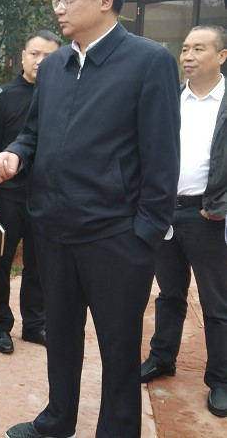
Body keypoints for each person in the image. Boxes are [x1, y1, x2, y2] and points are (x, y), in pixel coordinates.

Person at [0, 0, 180, 438]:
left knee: (118, 346)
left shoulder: (148, 61)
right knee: (60, 335)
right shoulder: (54, 65)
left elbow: (162, 158)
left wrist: (144, 235)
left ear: (105, 0)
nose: (59, 8)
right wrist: (15, 155)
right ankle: (57, 421)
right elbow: (32, 133)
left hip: (116, 237)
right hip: (53, 230)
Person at [140, 25, 227, 419]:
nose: (188, 56)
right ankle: (162, 358)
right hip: (166, 211)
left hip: (208, 214)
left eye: (199, 49)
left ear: (221, 56)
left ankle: (221, 379)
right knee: (169, 292)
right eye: (185, 49)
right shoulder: (172, 99)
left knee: (217, 301)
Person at [0, 30, 61, 354]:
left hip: (46, 197)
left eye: (48, 56)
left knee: (39, 265)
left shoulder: (62, 94)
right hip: (8, 195)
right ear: (23, 56)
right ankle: (0, 326)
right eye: (34, 53)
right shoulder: (5, 94)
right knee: (0, 263)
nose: (40, 61)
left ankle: (34, 324)